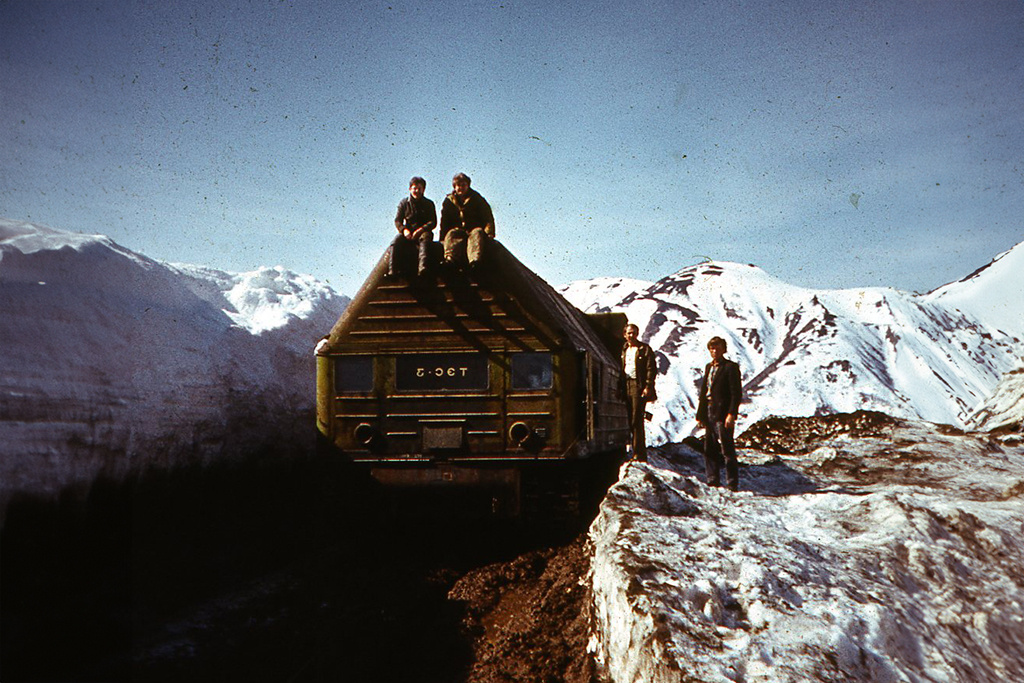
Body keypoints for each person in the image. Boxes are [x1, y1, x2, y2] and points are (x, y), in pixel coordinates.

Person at [696, 336, 743, 491]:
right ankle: (712, 479)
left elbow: (736, 393)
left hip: (723, 413)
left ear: (723, 349)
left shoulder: (730, 367)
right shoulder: (709, 367)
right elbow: (704, 392)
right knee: (709, 448)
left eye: (717, 348)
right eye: (712, 348)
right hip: (709, 410)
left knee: (727, 449)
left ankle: (732, 482)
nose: (714, 351)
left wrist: (731, 414)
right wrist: (700, 415)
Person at [439, 172, 495, 269]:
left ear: (468, 186)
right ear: (454, 187)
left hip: (473, 229)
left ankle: (474, 261)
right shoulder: (449, 201)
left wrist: (489, 233)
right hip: (458, 230)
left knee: (477, 234)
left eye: (463, 185)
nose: (461, 188)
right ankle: (450, 259)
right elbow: (444, 221)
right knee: (451, 234)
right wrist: (442, 237)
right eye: (458, 185)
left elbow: (488, 217)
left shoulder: (477, 199)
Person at [621, 323, 657, 462]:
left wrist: (648, 386)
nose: (632, 336)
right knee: (631, 419)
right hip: (626, 384)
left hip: (638, 385)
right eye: (629, 333)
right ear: (625, 335)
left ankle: (639, 454)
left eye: (634, 333)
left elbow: (651, 369)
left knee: (637, 419)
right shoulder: (624, 350)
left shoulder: (644, 349)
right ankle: (635, 451)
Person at [390, 176, 437, 277]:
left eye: (419, 188)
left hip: (423, 232)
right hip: (408, 232)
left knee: (425, 240)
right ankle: (392, 271)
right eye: (414, 188)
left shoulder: (429, 204)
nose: (417, 191)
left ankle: (423, 268)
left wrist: (421, 230)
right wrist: (404, 230)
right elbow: (398, 220)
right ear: (410, 189)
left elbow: (433, 222)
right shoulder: (404, 203)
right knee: (396, 241)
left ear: (423, 189)